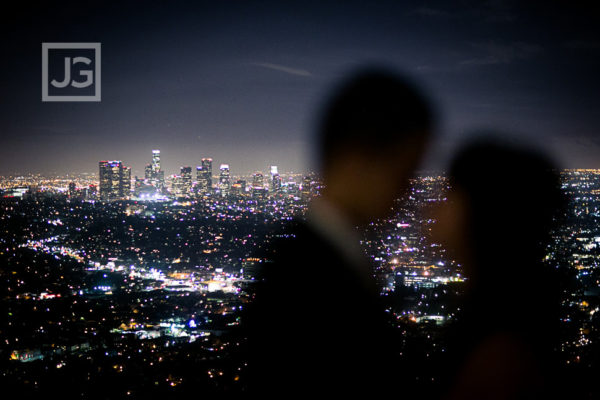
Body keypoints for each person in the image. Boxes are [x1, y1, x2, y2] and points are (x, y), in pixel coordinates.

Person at [237, 67, 436, 395]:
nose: (406, 192)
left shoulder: (312, 253)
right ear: (357, 159)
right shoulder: (303, 271)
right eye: (404, 172)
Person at [430, 138, 566, 400]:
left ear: (479, 211)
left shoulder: (499, 352)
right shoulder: (518, 310)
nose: (437, 206)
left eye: (450, 193)